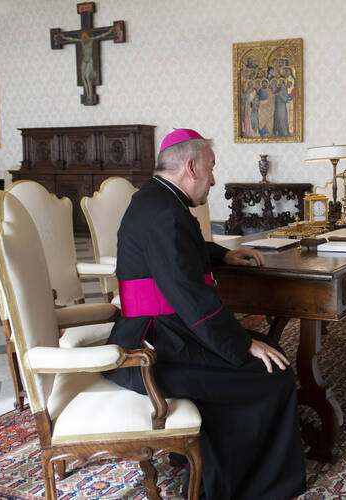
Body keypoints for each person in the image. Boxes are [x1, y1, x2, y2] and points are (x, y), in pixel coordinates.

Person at [104, 128, 306, 499]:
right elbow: (187, 292)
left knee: (265, 350)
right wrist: (241, 343)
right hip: (152, 349)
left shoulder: (157, 200)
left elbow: (184, 251)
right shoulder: (164, 211)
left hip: (161, 331)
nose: (214, 180)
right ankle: (240, 483)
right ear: (191, 166)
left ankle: (209, 458)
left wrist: (223, 255)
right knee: (270, 370)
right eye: (211, 169)